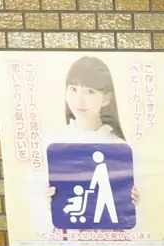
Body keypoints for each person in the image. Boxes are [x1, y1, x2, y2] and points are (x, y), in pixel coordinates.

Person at [28, 56, 140, 236]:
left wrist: (136, 202)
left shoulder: (121, 147)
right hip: (67, 243)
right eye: (73, 89)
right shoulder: (52, 142)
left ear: (106, 98)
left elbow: (136, 215)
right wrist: (46, 201)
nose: (79, 99)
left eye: (89, 91)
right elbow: (35, 206)